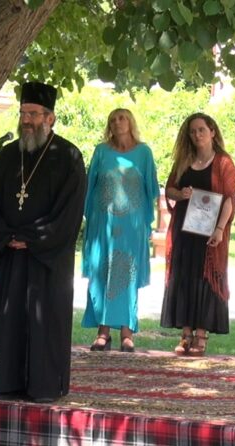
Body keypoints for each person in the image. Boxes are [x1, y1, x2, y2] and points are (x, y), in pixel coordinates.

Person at [0, 81, 86, 402]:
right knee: (11, 320)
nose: (26, 120)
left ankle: (45, 386)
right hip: (12, 255)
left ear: (50, 118)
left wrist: (32, 238)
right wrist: (7, 236)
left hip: (46, 259)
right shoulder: (5, 156)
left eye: (34, 114)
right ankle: (10, 383)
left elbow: (70, 211)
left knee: (46, 322)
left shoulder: (68, 156)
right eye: (23, 113)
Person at [160, 113, 235, 356]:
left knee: (204, 278)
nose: (197, 135)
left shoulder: (224, 163)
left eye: (201, 130)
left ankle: (201, 334)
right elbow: (169, 189)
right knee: (184, 276)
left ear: (212, 131)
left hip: (209, 232)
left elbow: (229, 200)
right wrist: (180, 194)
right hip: (184, 229)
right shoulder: (184, 160)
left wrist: (219, 230)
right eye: (193, 131)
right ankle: (186, 333)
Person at [82, 108, 159, 353]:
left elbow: (151, 190)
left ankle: (127, 332)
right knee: (103, 272)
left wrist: (149, 223)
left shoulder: (144, 153)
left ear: (131, 122)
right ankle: (103, 332)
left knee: (127, 274)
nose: (117, 122)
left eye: (122, 118)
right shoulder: (101, 152)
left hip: (131, 227)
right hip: (102, 225)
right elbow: (89, 187)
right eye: (113, 119)